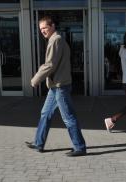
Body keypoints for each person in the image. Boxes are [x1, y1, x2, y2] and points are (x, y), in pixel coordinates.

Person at [26, 16, 87, 157]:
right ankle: (38, 143)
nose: (42, 31)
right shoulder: (56, 40)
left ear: (52, 26)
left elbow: (50, 65)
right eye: (40, 29)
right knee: (45, 113)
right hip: (55, 86)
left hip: (60, 86)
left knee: (68, 117)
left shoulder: (56, 40)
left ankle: (80, 147)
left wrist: (35, 79)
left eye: (45, 28)